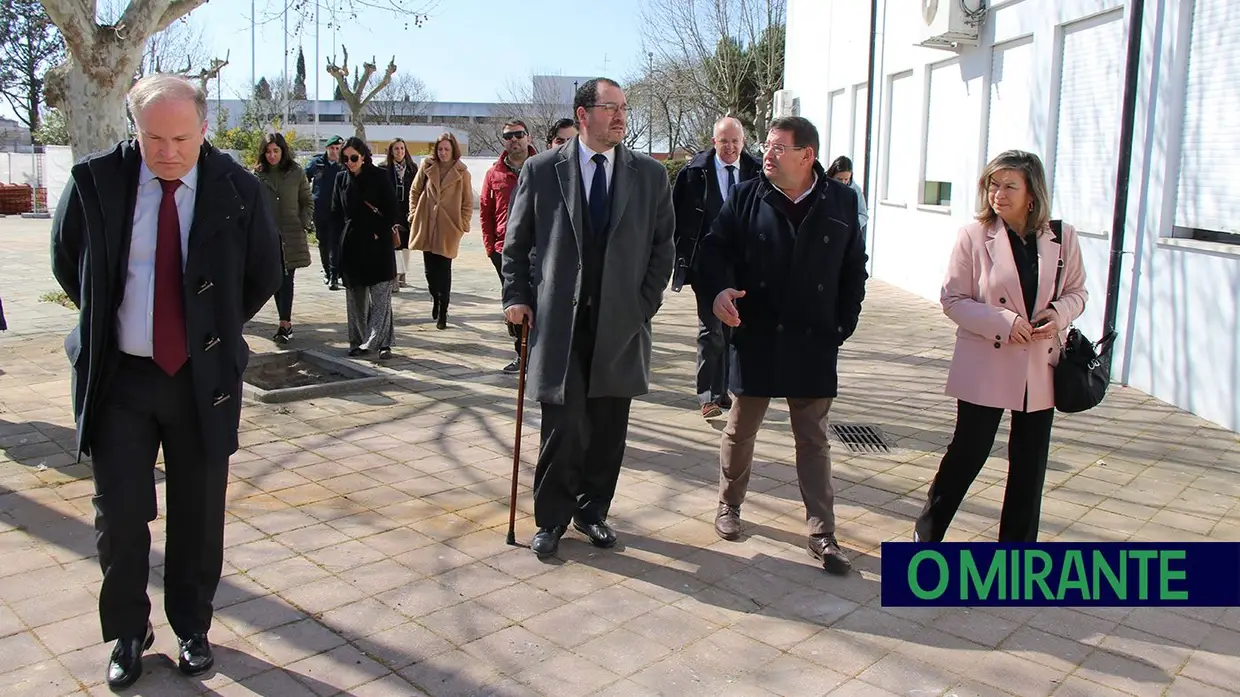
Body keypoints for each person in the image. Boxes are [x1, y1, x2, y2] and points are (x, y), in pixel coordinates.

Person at [49, 73, 282, 689]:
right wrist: (124, 324)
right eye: (153, 137)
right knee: (120, 515)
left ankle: (191, 625)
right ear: (136, 128)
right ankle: (128, 629)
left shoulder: (238, 190)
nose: (167, 151)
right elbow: (69, 264)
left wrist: (206, 332)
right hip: (120, 378)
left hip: (201, 382)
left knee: (198, 514)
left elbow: (262, 273)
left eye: (181, 138)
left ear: (204, 128)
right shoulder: (96, 182)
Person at [502, 78, 675, 558]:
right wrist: (515, 297)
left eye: (624, 108)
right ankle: (551, 519)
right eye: (610, 108)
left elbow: (664, 250)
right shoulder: (541, 171)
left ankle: (592, 510)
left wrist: (642, 307)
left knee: (608, 427)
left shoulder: (649, 175)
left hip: (621, 323)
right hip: (560, 323)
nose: (621, 117)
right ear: (583, 115)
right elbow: (515, 246)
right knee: (563, 425)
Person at [697, 116, 868, 575]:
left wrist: (842, 326)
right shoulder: (747, 194)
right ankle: (728, 506)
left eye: (777, 148)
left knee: (813, 439)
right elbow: (712, 249)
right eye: (767, 147)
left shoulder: (843, 202)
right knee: (739, 429)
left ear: (806, 156)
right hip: (756, 334)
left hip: (814, 341)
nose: (766, 155)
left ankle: (822, 531)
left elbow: (855, 270)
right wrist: (717, 292)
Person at [915, 150, 1088, 543]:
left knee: (1030, 465)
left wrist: (1059, 313)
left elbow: (1079, 292)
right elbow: (953, 299)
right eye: (993, 184)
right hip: (986, 361)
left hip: (1039, 367)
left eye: (1010, 185)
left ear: (1032, 194)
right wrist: (1004, 322)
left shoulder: (1062, 237)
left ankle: (1017, 552)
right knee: (968, 453)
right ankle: (927, 535)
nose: (998, 193)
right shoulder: (974, 236)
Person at [672, 116, 761, 419]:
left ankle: (726, 390)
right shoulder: (694, 173)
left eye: (736, 141)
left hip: (744, 266)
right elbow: (677, 216)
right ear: (714, 142)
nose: (731, 147)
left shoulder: (757, 171)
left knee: (734, 329)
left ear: (743, 142)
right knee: (711, 330)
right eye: (724, 142)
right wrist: (681, 258)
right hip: (706, 265)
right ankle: (708, 396)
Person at [332, 136, 400, 359]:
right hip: (352, 245)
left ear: (363, 157)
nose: (350, 163)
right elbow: (336, 213)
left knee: (381, 298)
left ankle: (381, 343)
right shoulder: (341, 179)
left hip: (377, 244)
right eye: (346, 159)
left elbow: (391, 211)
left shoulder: (379, 177)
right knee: (356, 300)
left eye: (354, 158)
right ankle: (359, 341)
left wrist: (377, 231)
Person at [481, 119, 537, 373]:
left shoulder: (543, 167)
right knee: (513, 302)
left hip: (538, 247)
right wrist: (490, 246)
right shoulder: (494, 173)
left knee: (537, 301)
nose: (513, 140)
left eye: (518, 134)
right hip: (505, 249)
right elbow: (485, 211)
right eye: (508, 136)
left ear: (528, 136)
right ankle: (521, 353)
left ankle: (537, 354)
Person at [254, 132, 314, 344]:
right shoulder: (258, 175)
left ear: (283, 151)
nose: (272, 155)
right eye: (268, 152)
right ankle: (281, 321)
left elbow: (307, 200)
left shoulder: (296, 172)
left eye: (276, 151)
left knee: (286, 279)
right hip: (267, 235)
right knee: (273, 279)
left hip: (291, 234)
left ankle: (284, 324)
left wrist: (303, 222)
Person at [408, 132, 472, 330]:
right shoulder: (427, 167)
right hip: (427, 224)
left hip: (448, 228)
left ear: (453, 150)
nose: (443, 153)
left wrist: (461, 224)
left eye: (447, 149)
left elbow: (467, 203)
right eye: (440, 149)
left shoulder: (462, 173)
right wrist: (412, 214)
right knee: (429, 271)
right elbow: (415, 190)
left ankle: (443, 311)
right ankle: (435, 297)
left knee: (444, 271)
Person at [305, 135, 345, 289]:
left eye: (337, 149)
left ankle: (334, 276)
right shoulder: (317, 163)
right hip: (320, 209)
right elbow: (304, 179)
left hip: (338, 209)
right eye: (332, 148)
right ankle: (328, 272)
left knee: (336, 242)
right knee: (324, 242)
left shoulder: (343, 164)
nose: (335, 152)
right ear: (327, 148)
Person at [380, 138, 418, 291]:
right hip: (391, 210)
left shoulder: (412, 168)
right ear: (391, 151)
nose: (399, 152)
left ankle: (403, 273)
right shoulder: (383, 169)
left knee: (406, 243)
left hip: (407, 210)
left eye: (402, 148)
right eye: (396, 149)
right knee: (395, 242)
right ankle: (395, 273)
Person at [825, 155, 868, 244]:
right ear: (832, 175)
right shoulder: (823, 186)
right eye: (839, 179)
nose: (843, 183)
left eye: (846, 179)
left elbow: (863, 214)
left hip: (845, 238)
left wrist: (851, 226)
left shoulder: (855, 190)